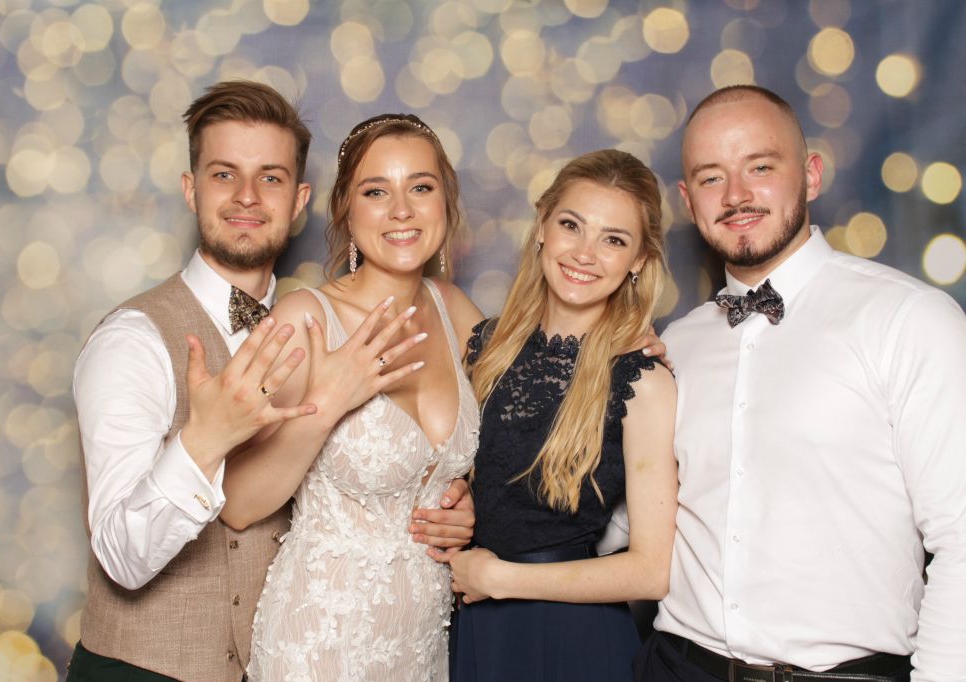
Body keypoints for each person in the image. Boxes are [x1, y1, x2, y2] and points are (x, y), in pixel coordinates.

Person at [69, 86, 473, 682]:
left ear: (300, 200)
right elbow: (123, 555)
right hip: (149, 668)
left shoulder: (326, 316)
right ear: (191, 189)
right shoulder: (134, 340)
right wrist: (208, 439)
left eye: (271, 178)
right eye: (224, 175)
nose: (247, 197)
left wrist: (462, 503)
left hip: (372, 641)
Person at [634, 85, 966, 682]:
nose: (736, 195)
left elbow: (961, 536)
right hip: (677, 666)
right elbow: (636, 513)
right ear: (687, 199)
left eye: (760, 167)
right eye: (711, 178)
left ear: (811, 175)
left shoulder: (910, 320)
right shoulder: (675, 345)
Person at [219, 114, 483, 681]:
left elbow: (531, 429)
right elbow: (236, 502)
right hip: (319, 640)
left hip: (419, 643)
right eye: (376, 192)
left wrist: (470, 507)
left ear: (445, 201)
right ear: (345, 209)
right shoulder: (304, 320)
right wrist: (328, 403)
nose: (401, 210)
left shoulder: (456, 311)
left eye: (420, 187)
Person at [447, 149, 678, 681]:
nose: (585, 254)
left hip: (571, 635)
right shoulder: (487, 346)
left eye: (613, 240)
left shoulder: (642, 379)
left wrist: (502, 579)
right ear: (542, 226)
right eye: (571, 225)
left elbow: (652, 571)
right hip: (475, 621)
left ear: (638, 260)